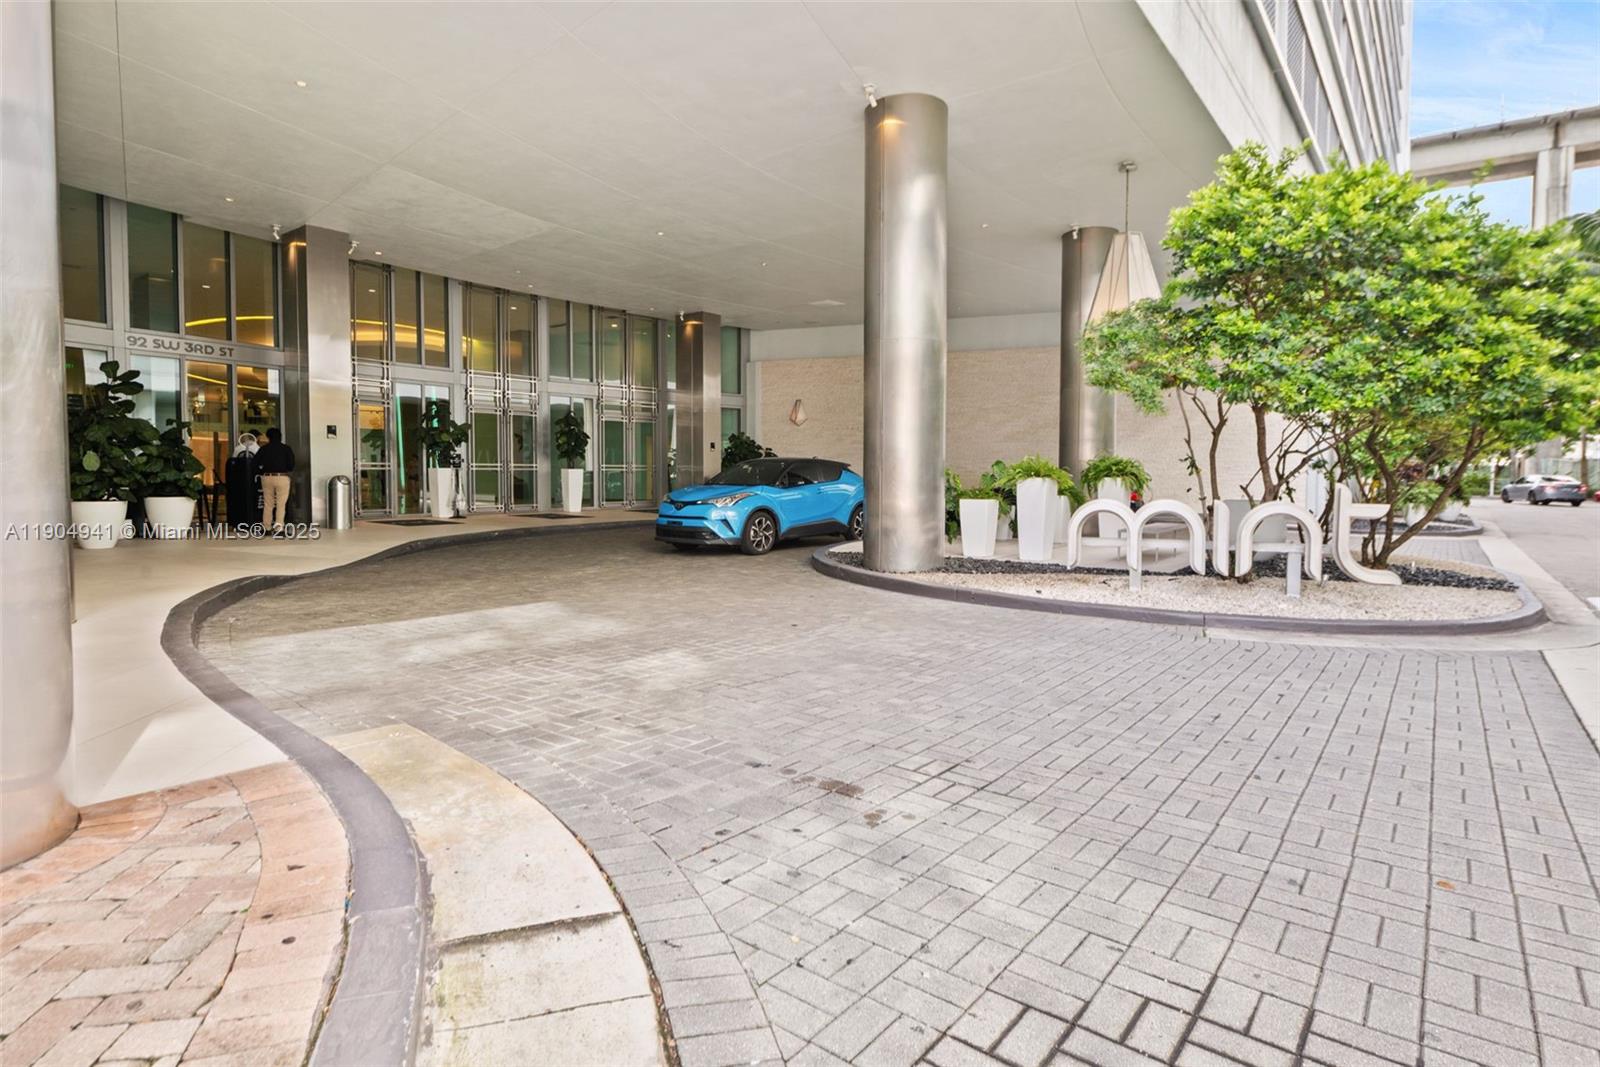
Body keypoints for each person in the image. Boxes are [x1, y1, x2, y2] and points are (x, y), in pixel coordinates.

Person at [255, 427, 296, 536]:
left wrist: (262, 470)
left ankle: (266, 527)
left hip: (267, 477)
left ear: (268, 437)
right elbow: (291, 465)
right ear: (280, 436)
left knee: (268, 504)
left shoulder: (264, 449)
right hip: (282, 477)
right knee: (281, 504)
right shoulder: (286, 448)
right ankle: (278, 528)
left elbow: (254, 463)